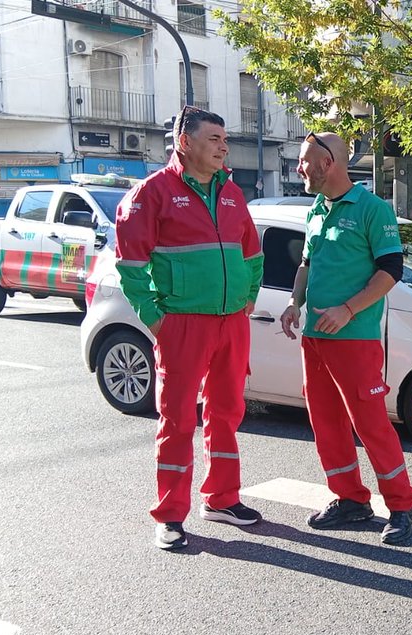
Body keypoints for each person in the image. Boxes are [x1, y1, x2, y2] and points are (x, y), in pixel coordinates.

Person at [115, 106, 265, 551]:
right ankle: (170, 515)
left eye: (225, 140)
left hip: (230, 322)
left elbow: (252, 253)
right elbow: (131, 266)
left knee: (227, 413)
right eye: (214, 138)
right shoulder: (151, 193)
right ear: (185, 141)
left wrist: (248, 298)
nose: (224, 146)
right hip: (183, 324)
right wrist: (157, 319)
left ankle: (221, 499)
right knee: (178, 420)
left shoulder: (232, 192)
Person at [279, 132, 412, 545]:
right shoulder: (317, 209)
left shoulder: (373, 210)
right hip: (315, 339)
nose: (299, 168)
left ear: (328, 164)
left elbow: (392, 270)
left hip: (354, 338)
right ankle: (350, 499)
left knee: (371, 424)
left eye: (305, 161)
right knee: (326, 423)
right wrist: (293, 302)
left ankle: (402, 505)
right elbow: (306, 262)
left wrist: (349, 309)